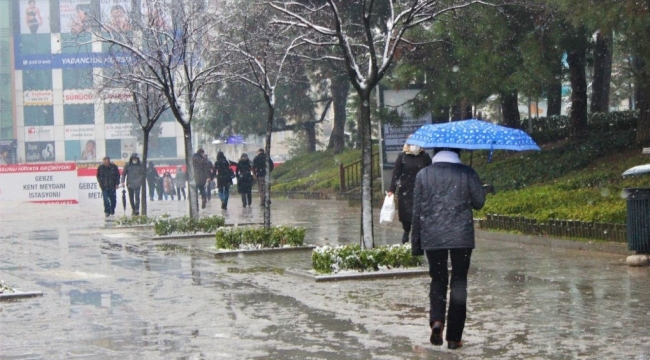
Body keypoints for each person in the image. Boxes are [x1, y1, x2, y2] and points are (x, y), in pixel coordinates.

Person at [411, 147, 487, 350]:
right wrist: (478, 185)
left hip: (432, 236)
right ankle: (454, 338)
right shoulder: (467, 172)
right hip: (461, 237)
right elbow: (479, 202)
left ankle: (437, 321)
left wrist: (415, 242)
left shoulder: (423, 174)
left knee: (438, 279)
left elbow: (416, 210)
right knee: (459, 282)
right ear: (458, 151)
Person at [388, 141, 432, 244]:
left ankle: (418, 237)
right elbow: (396, 174)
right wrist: (391, 190)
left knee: (420, 214)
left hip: (421, 190)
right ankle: (406, 231)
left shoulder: (424, 156)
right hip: (405, 190)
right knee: (406, 215)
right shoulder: (402, 156)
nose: (414, 145)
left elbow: (431, 172)